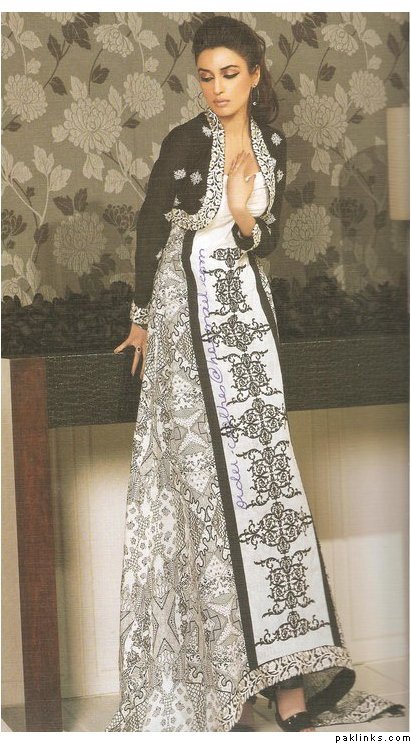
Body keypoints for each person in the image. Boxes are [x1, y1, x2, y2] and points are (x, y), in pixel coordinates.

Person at [106, 15, 405, 733]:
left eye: (229, 74)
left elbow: (261, 241)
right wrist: (141, 319)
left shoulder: (272, 142)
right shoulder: (185, 141)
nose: (216, 88)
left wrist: (243, 214)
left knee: (268, 492)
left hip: (246, 310)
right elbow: (150, 226)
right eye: (205, 76)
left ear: (256, 74)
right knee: (209, 496)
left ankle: (288, 683)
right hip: (186, 312)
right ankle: (224, 684)